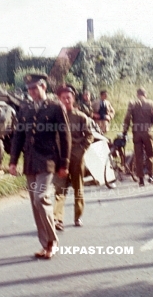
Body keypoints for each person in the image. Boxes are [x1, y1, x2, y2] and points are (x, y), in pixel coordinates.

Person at [9, 73, 71, 259]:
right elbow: (18, 136)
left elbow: (65, 136)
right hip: (30, 161)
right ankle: (45, 245)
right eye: (29, 89)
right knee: (35, 205)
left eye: (35, 88)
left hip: (48, 160)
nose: (32, 92)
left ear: (44, 87)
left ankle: (52, 242)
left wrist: (64, 163)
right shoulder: (25, 108)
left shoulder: (55, 107)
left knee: (40, 198)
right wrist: (13, 161)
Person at [53, 84, 94, 230]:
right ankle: (58, 219)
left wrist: (81, 150)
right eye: (63, 98)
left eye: (68, 98)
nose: (66, 100)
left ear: (73, 98)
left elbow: (89, 136)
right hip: (60, 158)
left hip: (77, 157)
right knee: (60, 188)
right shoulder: (54, 117)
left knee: (78, 188)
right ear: (59, 99)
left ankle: (78, 216)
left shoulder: (81, 117)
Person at [122, 87, 153, 187]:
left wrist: (124, 131)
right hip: (148, 132)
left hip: (136, 133)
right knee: (151, 154)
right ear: (145, 94)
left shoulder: (132, 103)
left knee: (138, 156)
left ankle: (141, 179)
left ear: (137, 95)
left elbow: (127, 118)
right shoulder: (151, 103)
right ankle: (151, 175)